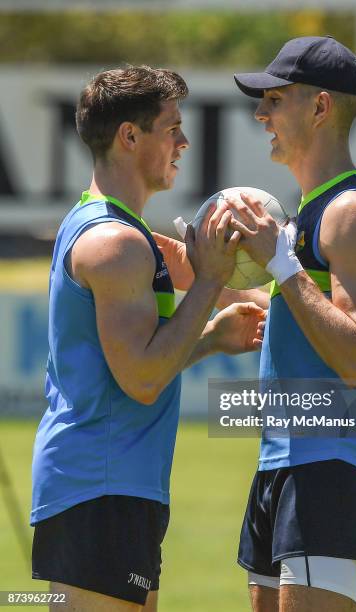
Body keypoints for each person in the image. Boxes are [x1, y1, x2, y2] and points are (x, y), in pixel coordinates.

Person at [158, 36, 356, 612]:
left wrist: (282, 263)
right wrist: (201, 274)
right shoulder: (315, 211)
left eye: (276, 98)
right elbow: (299, 314)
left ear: (320, 107)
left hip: (333, 460)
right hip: (285, 458)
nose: (260, 113)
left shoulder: (353, 213)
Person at [30, 65, 265, 612]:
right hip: (100, 484)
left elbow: (149, 352)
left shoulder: (123, 231)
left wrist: (212, 334)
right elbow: (141, 378)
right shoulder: (115, 243)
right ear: (129, 137)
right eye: (171, 127)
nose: (183, 141)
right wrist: (208, 280)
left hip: (111, 484)